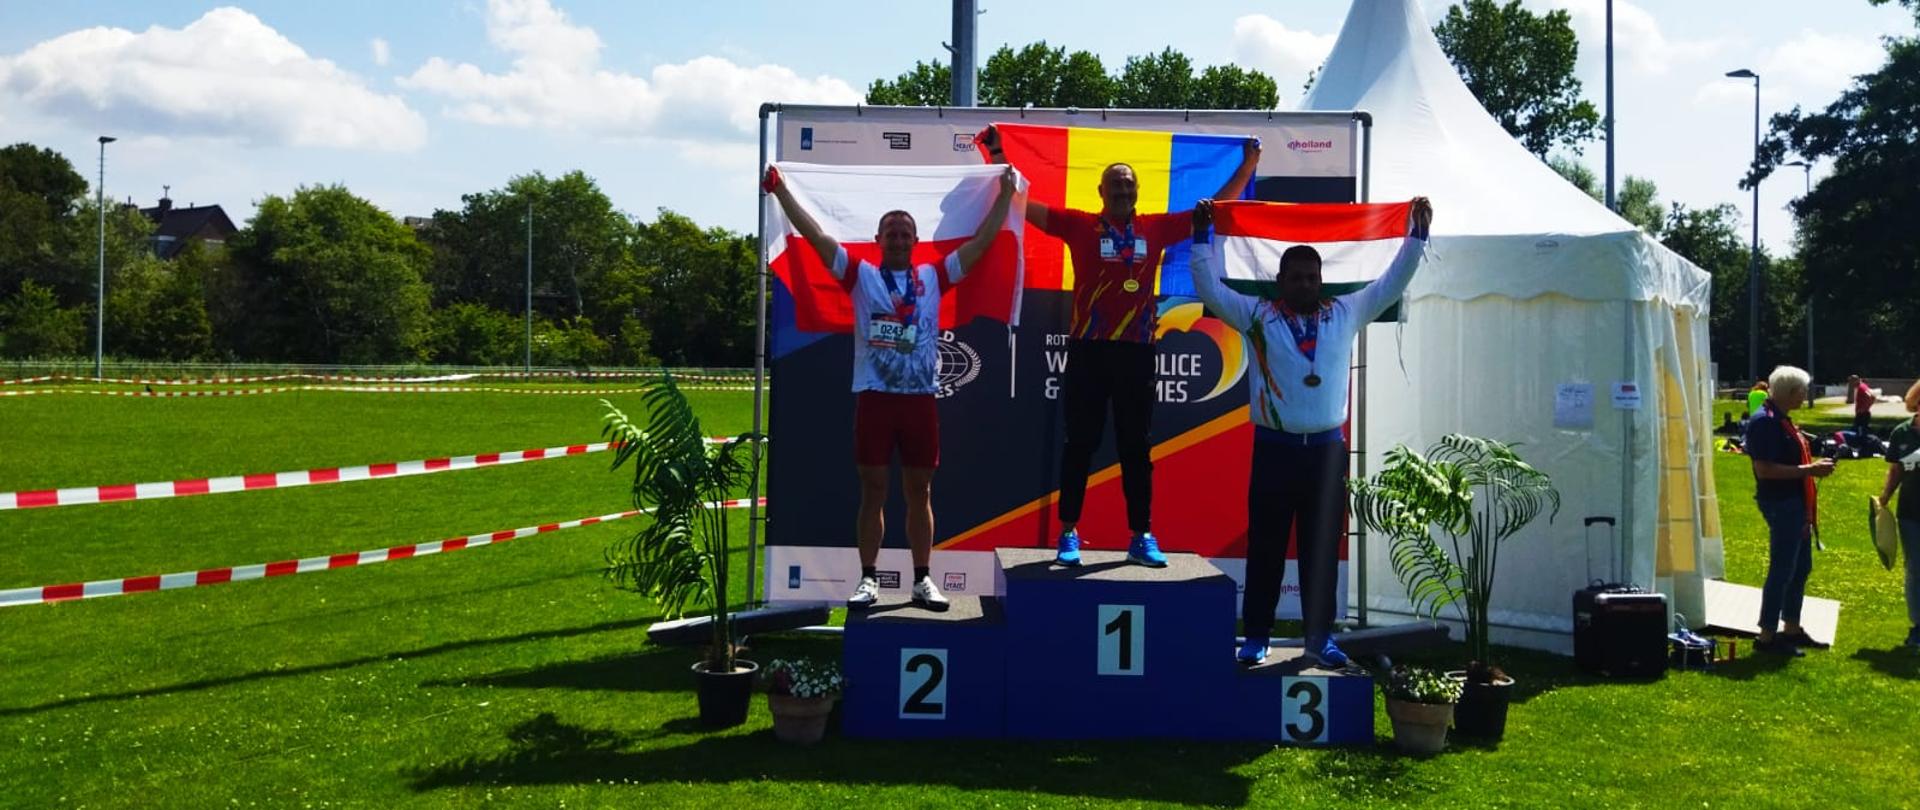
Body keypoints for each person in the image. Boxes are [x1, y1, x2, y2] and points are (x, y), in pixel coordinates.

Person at [979, 124, 1261, 568]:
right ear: (1101, 190)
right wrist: (996, 153)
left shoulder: (1154, 228)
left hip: (1136, 353)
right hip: (1089, 349)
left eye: (1129, 184)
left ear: (1137, 191)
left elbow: (1212, 211)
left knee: (1136, 447)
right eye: (1115, 183)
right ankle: (1068, 533)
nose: (1122, 189)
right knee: (1080, 444)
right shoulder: (1079, 224)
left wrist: (1248, 165)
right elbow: (1019, 203)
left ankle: (1141, 535)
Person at [1188, 196, 1434, 667]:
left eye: (1311, 276)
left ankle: (1319, 639)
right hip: (1275, 450)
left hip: (1326, 454)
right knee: (1266, 547)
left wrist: (1417, 237)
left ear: (1322, 281)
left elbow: (1392, 281)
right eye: (1296, 277)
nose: (1305, 283)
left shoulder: (1346, 310)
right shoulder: (1257, 316)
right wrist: (1202, 239)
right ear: (1280, 281)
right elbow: (1210, 288)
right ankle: (1256, 636)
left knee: (1320, 552)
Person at [764, 164, 1018, 611]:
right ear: (879, 240)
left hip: (919, 400)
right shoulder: (861, 275)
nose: (898, 240)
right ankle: (868, 578)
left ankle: (922, 580)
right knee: (873, 490)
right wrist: (782, 191)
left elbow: (980, 246)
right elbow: (817, 236)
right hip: (876, 398)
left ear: (915, 242)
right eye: (890, 233)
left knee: (920, 493)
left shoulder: (933, 277)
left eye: (905, 233)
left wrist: (1004, 196)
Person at [1744, 366, 1835, 656]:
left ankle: (1792, 628)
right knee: (1782, 569)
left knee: (1800, 567)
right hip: (1782, 504)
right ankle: (1767, 635)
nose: (1805, 395)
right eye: (1803, 391)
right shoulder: (1765, 423)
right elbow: (1765, 469)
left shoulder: (1782, 420)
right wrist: (1811, 469)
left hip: (1797, 503)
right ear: (1791, 392)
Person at [1877, 379, 1920, 649]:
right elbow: (1896, 471)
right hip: (1911, 511)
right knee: (1915, 568)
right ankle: (1918, 625)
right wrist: (1884, 499)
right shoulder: (1901, 433)